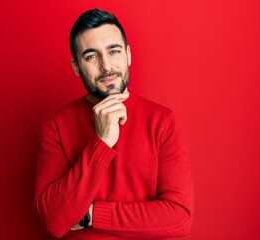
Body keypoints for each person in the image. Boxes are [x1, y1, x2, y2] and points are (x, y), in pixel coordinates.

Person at [34, 8, 193, 239]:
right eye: (91, 56)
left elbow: (178, 218)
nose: (106, 66)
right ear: (76, 67)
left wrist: (89, 215)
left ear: (128, 55)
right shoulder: (55, 125)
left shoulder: (162, 121)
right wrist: (102, 142)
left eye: (114, 51)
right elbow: (53, 220)